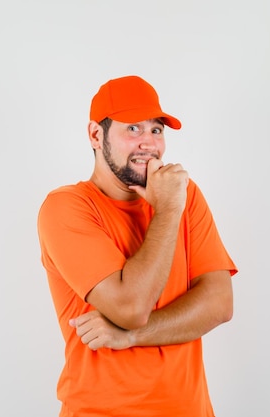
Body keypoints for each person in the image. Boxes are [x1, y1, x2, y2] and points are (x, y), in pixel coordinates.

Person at [37, 75, 238, 417]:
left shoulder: (183, 195)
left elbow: (219, 303)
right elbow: (130, 307)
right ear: (95, 136)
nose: (149, 143)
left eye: (156, 130)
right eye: (133, 129)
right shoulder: (67, 207)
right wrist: (169, 210)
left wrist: (130, 336)